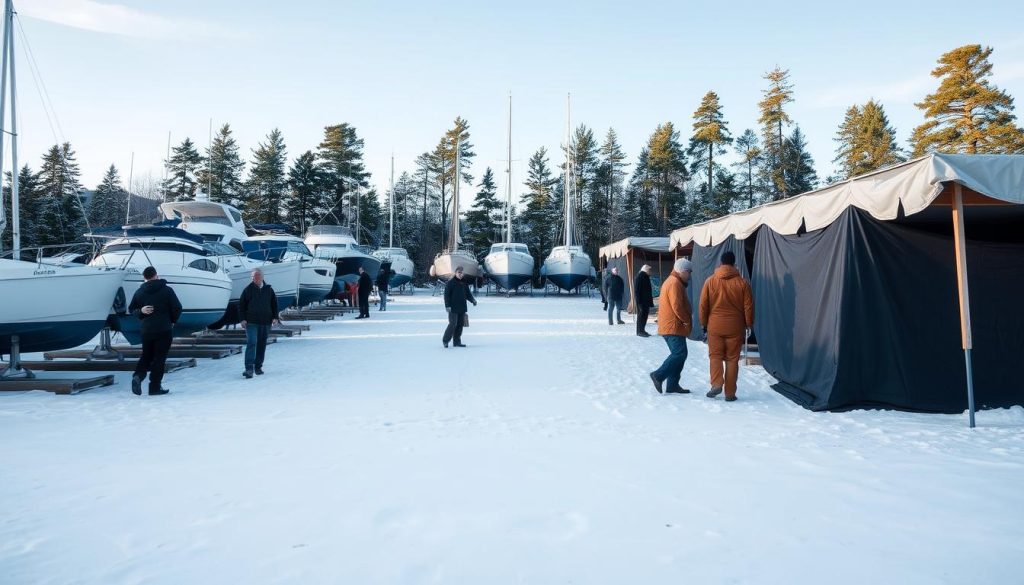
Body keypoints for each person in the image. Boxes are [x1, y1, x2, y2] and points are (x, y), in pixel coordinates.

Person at [699, 250, 754, 402]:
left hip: (715, 326)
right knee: (732, 359)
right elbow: (748, 306)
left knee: (715, 356)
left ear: (721, 263)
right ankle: (730, 393)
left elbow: (703, 305)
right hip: (735, 327)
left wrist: (704, 324)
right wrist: (749, 324)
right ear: (734, 263)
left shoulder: (710, 281)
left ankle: (716, 384)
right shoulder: (742, 283)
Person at [129, 266, 182, 396]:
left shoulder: (139, 292)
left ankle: (138, 376)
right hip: (164, 329)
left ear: (145, 278)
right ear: (156, 275)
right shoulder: (167, 290)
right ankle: (154, 387)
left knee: (146, 355)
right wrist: (173, 320)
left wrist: (141, 311)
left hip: (147, 330)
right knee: (159, 358)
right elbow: (177, 307)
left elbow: (131, 309)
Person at [650, 258, 693, 394]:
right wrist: (686, 320)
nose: (690, 275)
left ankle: (673, 385)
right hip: (673, 326)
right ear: (683, 271)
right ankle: (658, 375)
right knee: (679, 353)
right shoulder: (674, 283)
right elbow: (677, 306)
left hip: (671, 326)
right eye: (689, 272)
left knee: (680, 354)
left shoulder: (673, 281)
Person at [239, 268, 280, 379]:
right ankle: (249, 369)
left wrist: (275, 317)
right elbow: (241, 306)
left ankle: (258, 367)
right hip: (251, 322)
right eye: (253, 277)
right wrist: (242, 319)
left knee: (261, 345)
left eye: (257, 276)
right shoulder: (247, 290)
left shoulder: (269, 289)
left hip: (265, 322)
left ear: (262, 277)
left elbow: (274, 304)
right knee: (252, 342)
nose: (255, 278)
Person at [442, 266, 477, 348]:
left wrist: (473, 300)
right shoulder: (450, 283)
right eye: (459, 272)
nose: (461, 274)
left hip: (462, 307)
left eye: (462, 273)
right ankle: (445, 341)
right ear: (456, 273)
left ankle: (457, 342)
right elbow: (446, 295)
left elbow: (468, 294)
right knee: (453, 324)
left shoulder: (464, 283)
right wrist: (447, 306)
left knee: (460, 324)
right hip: (452, 308)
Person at [634, 264, 654, 337]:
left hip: (645, 301)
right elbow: (637, 290)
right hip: (641, 301)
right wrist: (638, 302)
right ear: (646, 270)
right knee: (641, 316)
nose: (650, 271)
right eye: (649, 270)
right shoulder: (640, 277)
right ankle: (639, 331)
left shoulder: (645, 276)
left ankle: (642, 330)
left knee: (644, 316)